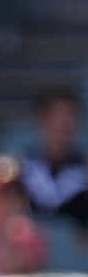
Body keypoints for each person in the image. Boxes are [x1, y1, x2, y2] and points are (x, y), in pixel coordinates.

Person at [18, 88, 88, 232]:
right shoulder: (19, 170)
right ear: (42, 121)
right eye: (56, 116)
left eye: (70, 117)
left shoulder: (84, 171)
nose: (63, 124)